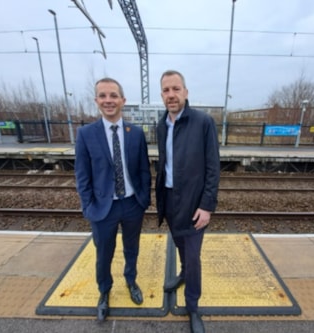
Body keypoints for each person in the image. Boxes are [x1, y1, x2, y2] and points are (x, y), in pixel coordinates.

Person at [75, 77, 151, 322]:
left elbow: (143, 170)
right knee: (104, 253)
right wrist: (87, 206)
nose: (108, 100)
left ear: (123, 100)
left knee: (132, 249)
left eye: (113, 95)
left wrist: (144, 199)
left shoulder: (136, 133)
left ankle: (131, 281)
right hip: (102, 208)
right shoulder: (86, 134)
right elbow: (82, 174)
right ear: (97, 100)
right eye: (103, 95)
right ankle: (104, 291)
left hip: (132, 205)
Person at [155, 70, 220, 333]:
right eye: (166, 90)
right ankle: (182, 274)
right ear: (162, 95)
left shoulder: (203, 122)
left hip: (194, 203)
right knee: (180, 244)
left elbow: (213, 167)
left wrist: (207, 205)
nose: (171, 95)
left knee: (193, 257)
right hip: (170, 199)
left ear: (186, 92)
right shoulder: (161, 125)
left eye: (176, 89)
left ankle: (193, 307)